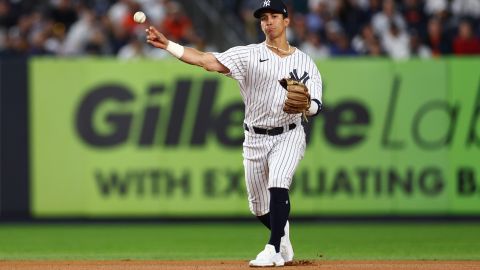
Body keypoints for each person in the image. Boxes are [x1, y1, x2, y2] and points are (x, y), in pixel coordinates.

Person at [146, 0, 323, 267]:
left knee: (278, 181)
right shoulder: (248, 54)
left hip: (289, 132)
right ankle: (281, 233)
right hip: (254, 137)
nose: (269, 21)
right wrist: (169, 45)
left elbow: (316, 106)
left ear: (287, 21)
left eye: (275, 16)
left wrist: (306, 105)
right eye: (264, 17)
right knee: (258, 206)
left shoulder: (306, 62)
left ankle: (273, 248)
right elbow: (205, 60)